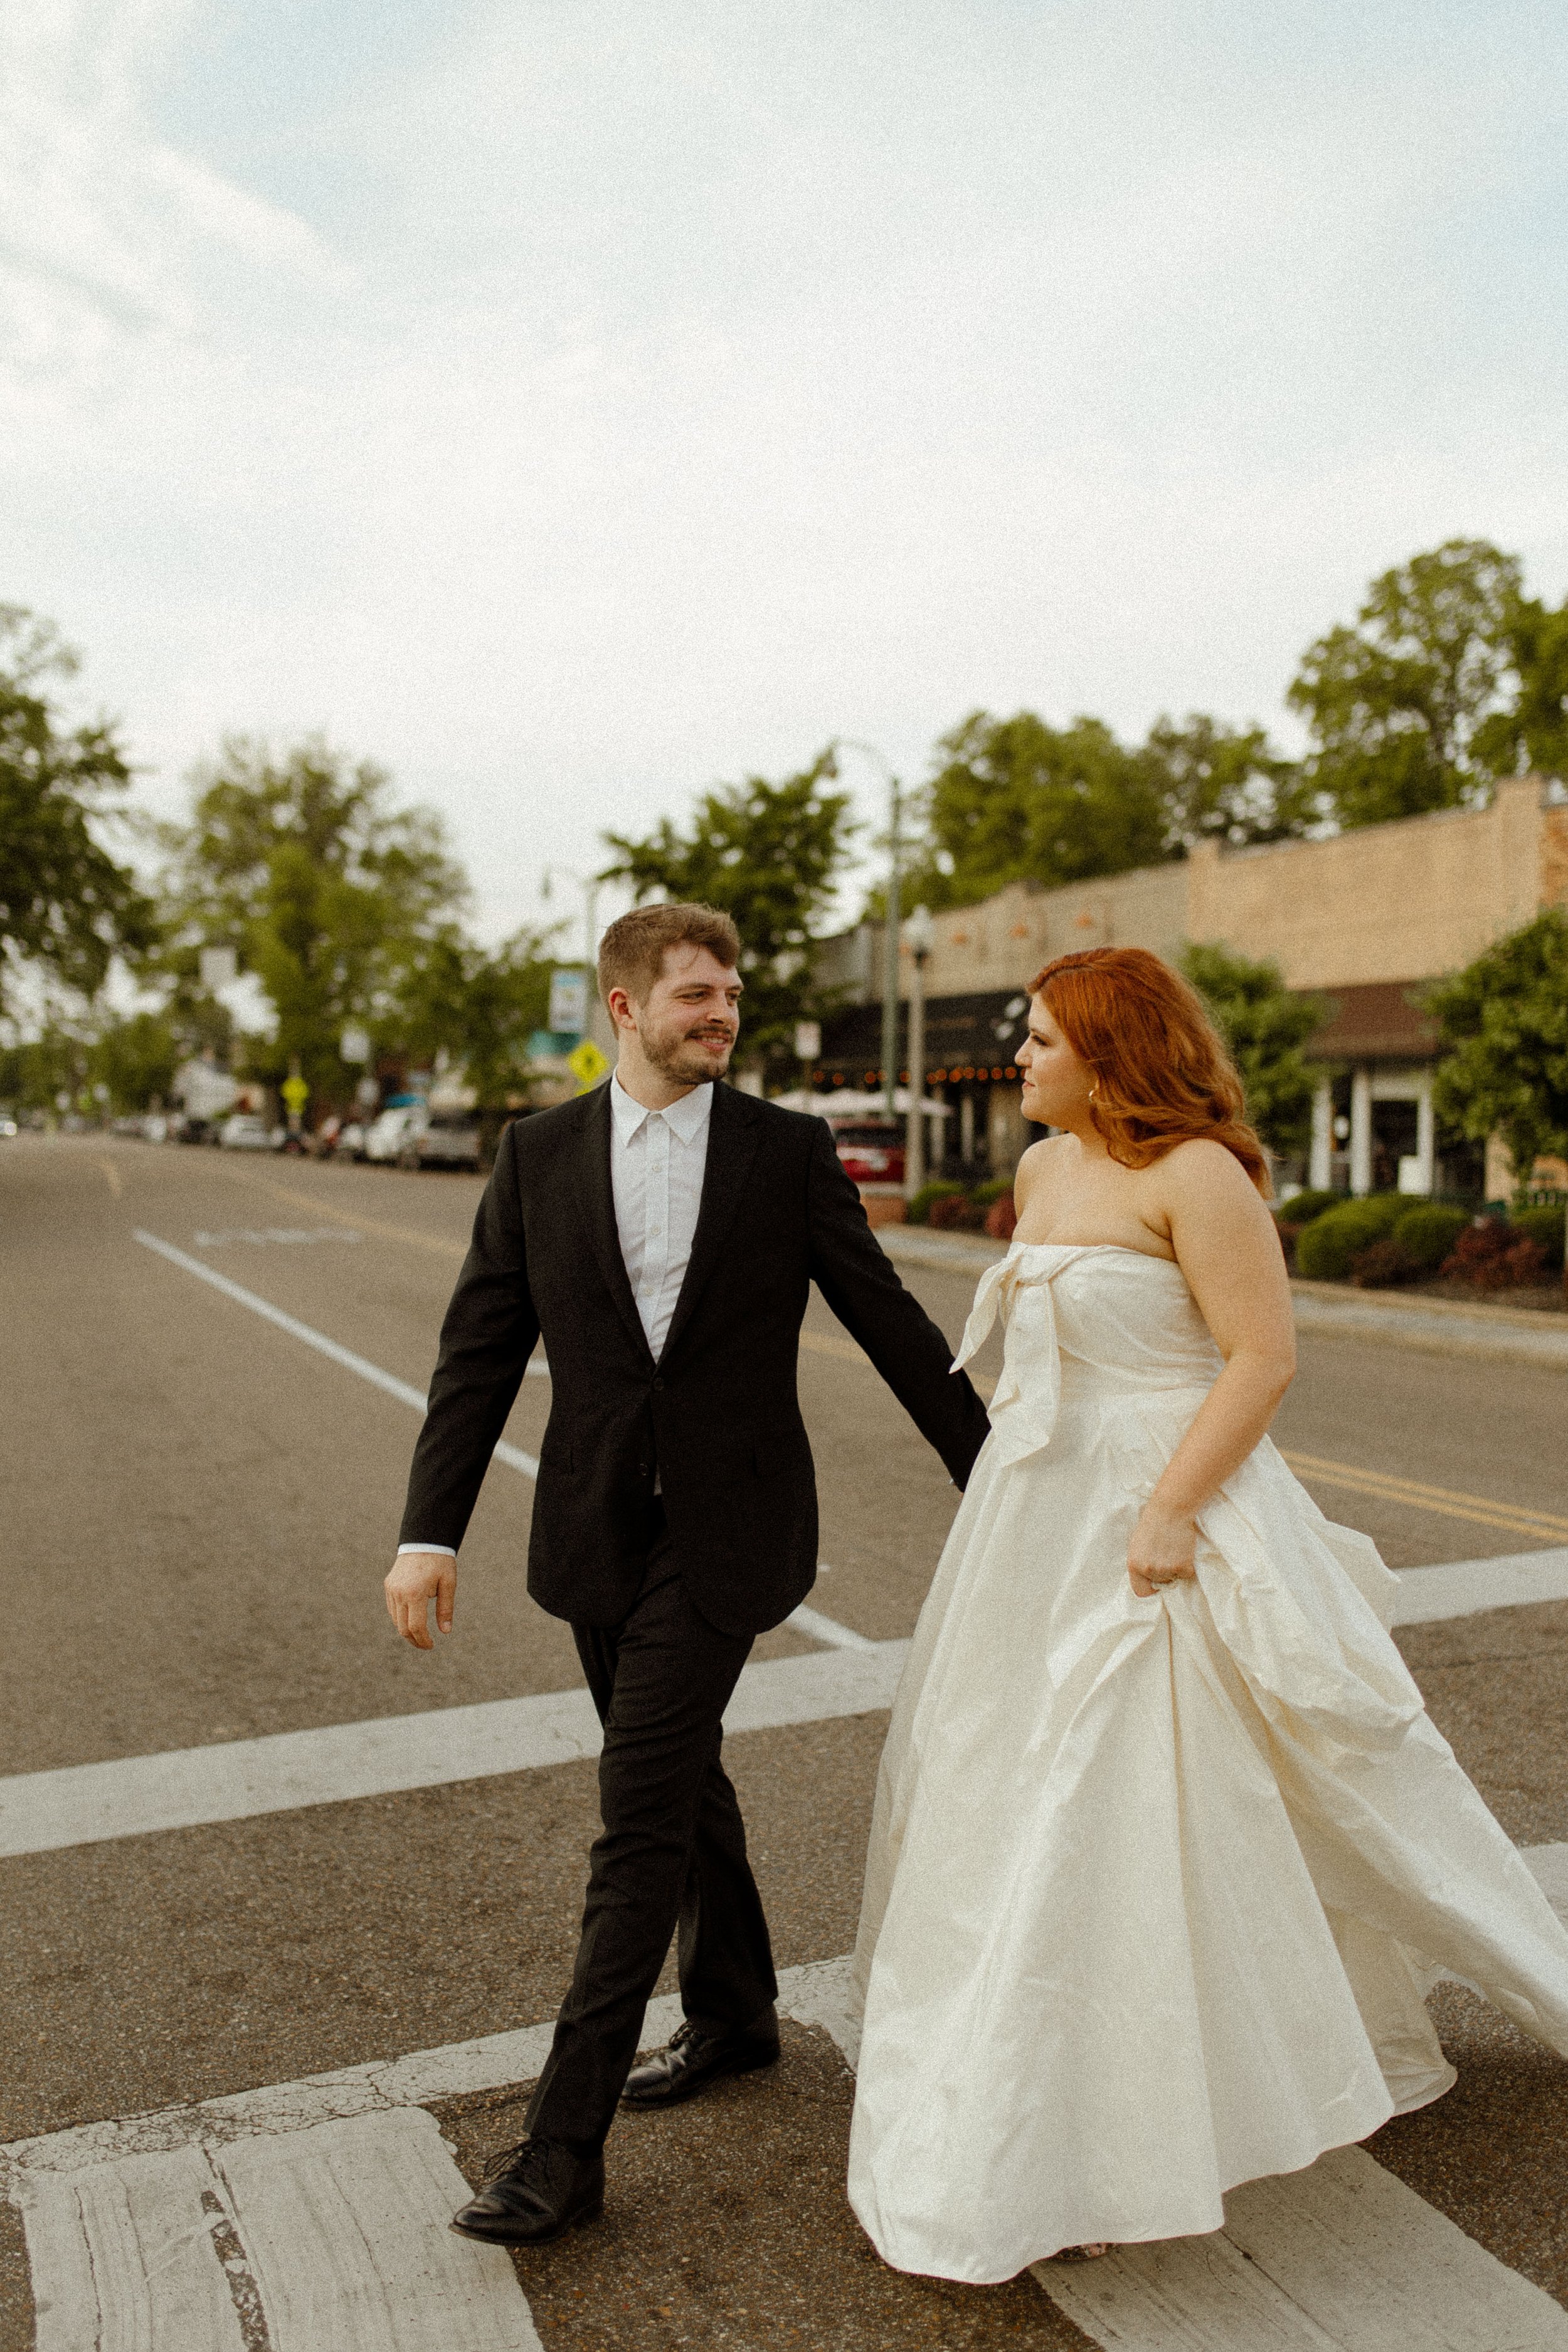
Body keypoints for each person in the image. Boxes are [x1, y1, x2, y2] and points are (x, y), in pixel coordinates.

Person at [847, 946, 1568, 2284]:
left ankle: (1122, 2123)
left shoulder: (1198, 1177)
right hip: (1032, 1522)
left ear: (1111, 1054)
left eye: (1044, 1042)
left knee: (1151, 1800)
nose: (1020, 1060)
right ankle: (1043, 2114)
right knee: (1018, 1793)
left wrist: (1171, 1509)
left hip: (1167, 1519)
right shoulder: (1041, 1172)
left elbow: (1261, 1357)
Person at [385, 901, 991, 2247]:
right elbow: (478, 1351)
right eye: (694, 998)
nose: (719, 1015)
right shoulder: (537, 1155)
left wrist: (996, 1471)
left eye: (729, 996)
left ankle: (561, 2148)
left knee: (637, 1813)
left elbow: (886, 1317)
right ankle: (734, 2013)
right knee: (680, 1769)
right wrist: (431, 1534)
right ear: (623, 1009)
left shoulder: (783, 1151)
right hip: (597, 1527)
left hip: (730, 1532)